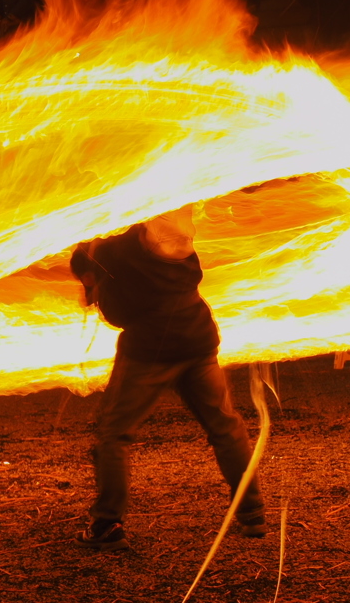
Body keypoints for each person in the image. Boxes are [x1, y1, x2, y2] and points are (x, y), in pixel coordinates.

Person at [69, 205, 265, 550]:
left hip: (151, 348)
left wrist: (95, 283)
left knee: (113, 432)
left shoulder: (112, 252)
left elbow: (114, 313)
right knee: (225, 426)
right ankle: (253, 514)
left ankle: (106, 522)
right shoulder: (172, 231)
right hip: (198, 335)